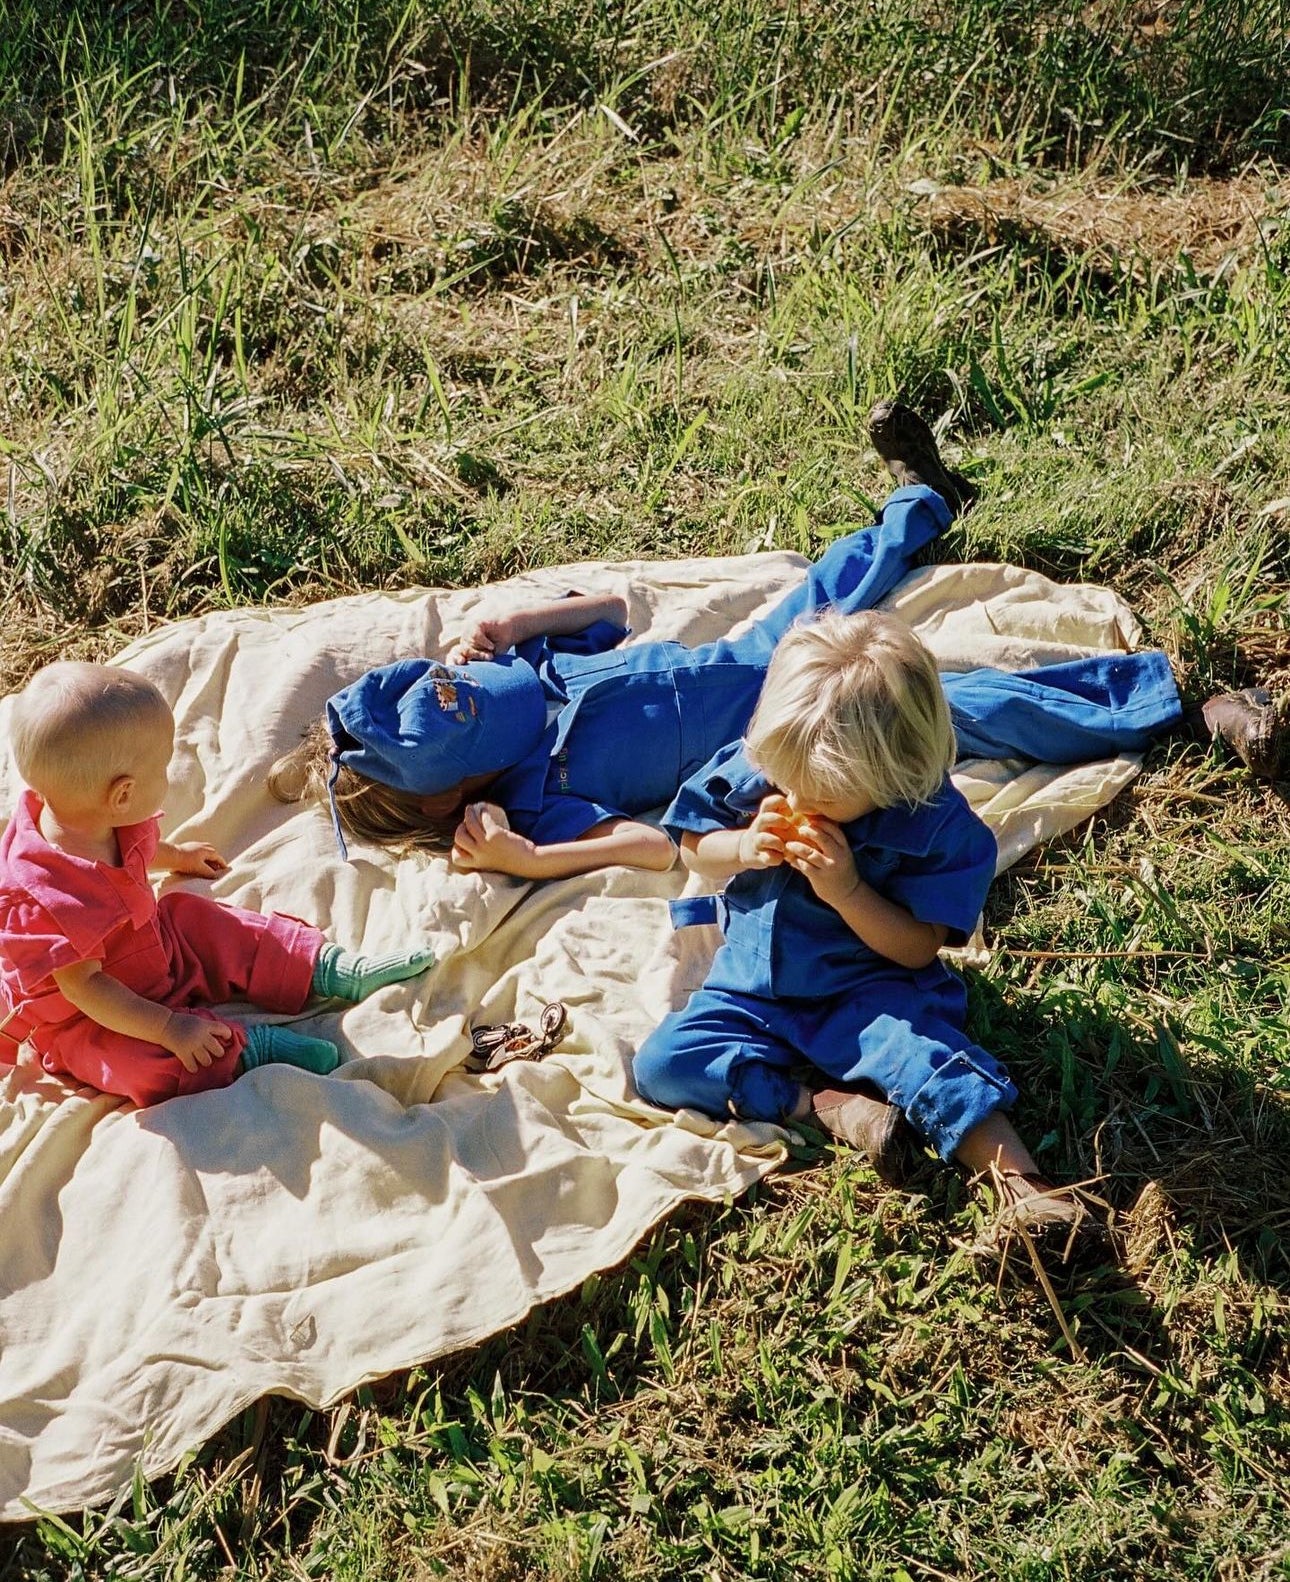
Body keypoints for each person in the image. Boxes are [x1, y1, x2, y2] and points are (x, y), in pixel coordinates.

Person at [269, 404, 1183, 876]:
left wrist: (520, 620)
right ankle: (1166, 702)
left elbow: (618, 613)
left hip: (746, 655)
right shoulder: (540, 800)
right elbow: (653, 848)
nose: (447, 683)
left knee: (834, 579)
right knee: (955, 705)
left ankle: (926, 500)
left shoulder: (528, 668)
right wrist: (527, 859)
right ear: (447, 799)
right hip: (764, 737)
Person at [632, 607, 1102, 1262]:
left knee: (924, 1061)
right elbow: (692, 848)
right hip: (752, 986)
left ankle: (1029, 1192)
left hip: (869, 989)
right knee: (664, 1064)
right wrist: (740, 845)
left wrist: (848, 890)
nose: (793, 795)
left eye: (817, 792)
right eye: (783, 776)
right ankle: (825, 1106)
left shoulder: (935, 828)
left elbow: (915, 947)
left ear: (892, 774)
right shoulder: (770, 767)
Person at [0, 663, 434, 1107]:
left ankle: (328, 969)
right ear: (123, 795)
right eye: (163, 769)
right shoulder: (42, 902)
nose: (168, 778)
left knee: (201, 920)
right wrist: (169, 1027)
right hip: (92, 1013)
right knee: (136, 1063)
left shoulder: (91, 814)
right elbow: (86, 987)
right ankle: (246, 1048)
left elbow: (138, 847)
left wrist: (178, 857)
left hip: (151, 945)